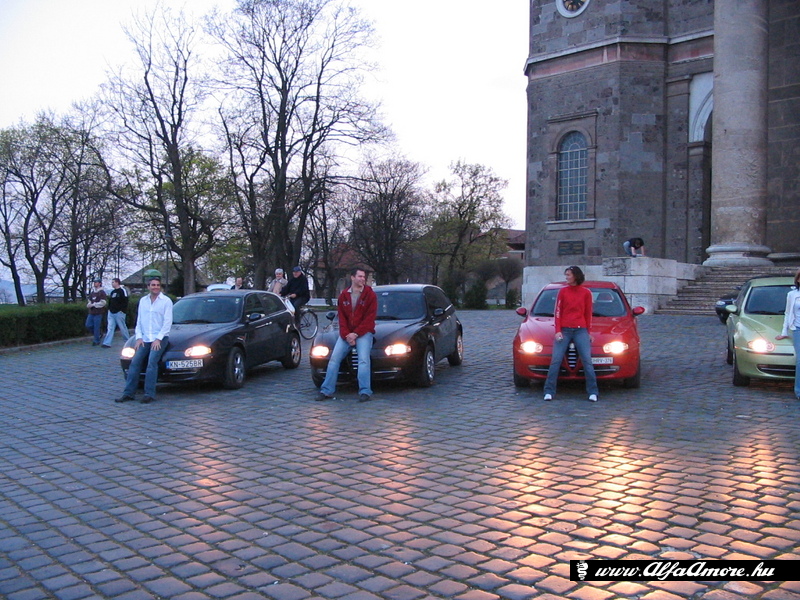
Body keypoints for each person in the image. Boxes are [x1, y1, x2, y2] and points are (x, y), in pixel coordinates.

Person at [317, 268, 377, 403]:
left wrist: (356, 334)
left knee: (363, 361)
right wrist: (347, 335)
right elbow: (342, 319)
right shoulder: (344, 295)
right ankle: (326, 390)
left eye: (364, 277)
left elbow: (369, 319)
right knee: (334, 359)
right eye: (360, 276)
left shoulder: (370, 295)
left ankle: (365, 391)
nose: (362, 279)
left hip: (363, 333)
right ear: (352, 277)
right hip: (347, 334)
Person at [543, 266, 599, 402]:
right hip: (565, 330)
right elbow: (557, 312)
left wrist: (588, 332)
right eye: (566, 275)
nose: (566, 277)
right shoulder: (562, 291)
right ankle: (549, 391)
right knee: (556, 360)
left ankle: (593, 392)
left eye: (568, 275)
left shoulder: (586, 293)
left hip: (580, 330)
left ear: (575, 276)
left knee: (587, 360)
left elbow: (588, 314)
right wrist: (558, 331)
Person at [116, 277, 173, 405]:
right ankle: (128, 393)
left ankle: (149, 394)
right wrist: (139, 337)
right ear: (148, 287)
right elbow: (140, 320)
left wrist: (158, 339)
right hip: (145, 338)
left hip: (160, 338)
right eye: (153, 285)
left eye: (157, 285)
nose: (155, 287)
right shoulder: (143, 301)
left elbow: (167, 322)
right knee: (135, 362)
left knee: (151, 363)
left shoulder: (166, 301)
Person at [775, 268, 800, 401]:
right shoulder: (792, 295)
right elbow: (788, 313)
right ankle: (799, 390)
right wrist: (784, 332)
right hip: (798, 328)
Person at [101, 278, 129, 348]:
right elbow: (110, 301)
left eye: (113, 282)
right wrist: (109, 309)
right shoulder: (113, 292)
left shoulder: (122, 291)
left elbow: (125, 301)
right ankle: (107, 343)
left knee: (122, 328)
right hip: (111, 312)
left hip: (119, 313)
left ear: (117, 282)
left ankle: (128, 341)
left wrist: (122, 311)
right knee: (110, 328)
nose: (112, 284)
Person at [86, 279, 107, 346]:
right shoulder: (92, 292)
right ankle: (99, 334)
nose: (95, 283)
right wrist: (89, 304)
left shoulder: (102, 292)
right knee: (88, 325)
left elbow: (103, 303)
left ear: (100, 283)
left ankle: (96, 340)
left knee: (96, 327)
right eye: (94, 282)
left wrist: (94, 305)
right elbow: (89, 300)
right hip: (91, 312)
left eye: (96, 282)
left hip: (98, 312)